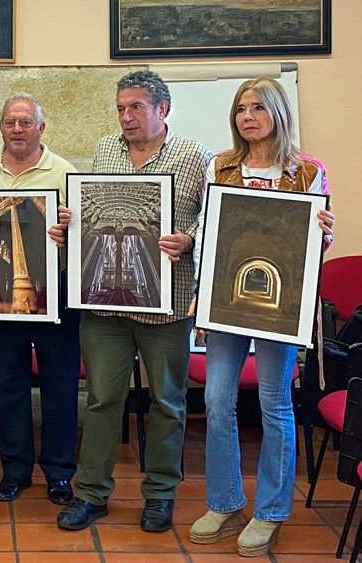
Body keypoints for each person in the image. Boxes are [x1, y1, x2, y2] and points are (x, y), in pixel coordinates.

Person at [53, 70, 212, 533]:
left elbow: (216, 218)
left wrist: (190, 240)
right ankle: (91, 494)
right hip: (104, 301)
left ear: (163, 109)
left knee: (167, 401)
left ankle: (160, 495)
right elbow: (94, 212)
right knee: (102, 399)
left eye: (136, 107)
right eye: (121, 108)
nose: (126, 116)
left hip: (166, 301)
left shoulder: (196, 157)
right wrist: (70, 225)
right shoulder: (105, 151)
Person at [187, 77, 335, 557]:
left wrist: (324, 235)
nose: (247, 116)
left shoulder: (308, 172)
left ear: (278, 113)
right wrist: (201, 297)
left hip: (281, 305)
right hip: (226, 299)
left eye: (257, 107)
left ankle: (270, 511)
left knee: (275, 404)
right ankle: (225, 501)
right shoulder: (220, 166)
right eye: (240, 108)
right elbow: (210, 234)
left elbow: (311, 247)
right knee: (217, 398)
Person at [0, 93, 80, 504]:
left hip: (55, 293)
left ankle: (59, 473)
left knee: (60, 383)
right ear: (1, 127)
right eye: (10, 122)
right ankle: (14, 470)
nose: (17, 130)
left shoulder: (64, 172)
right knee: (8, 384)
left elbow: (82, 239)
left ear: (41, 128)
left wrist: (69, 229)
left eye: (25, 122)